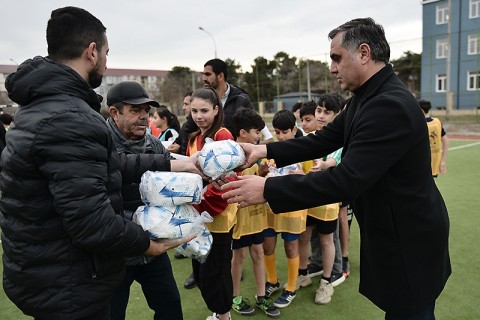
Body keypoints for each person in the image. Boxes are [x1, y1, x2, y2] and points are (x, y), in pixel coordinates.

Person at [222, 18, 450, 320]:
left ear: (364, 53)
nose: (332, 68)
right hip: (396, 230)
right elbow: (323, 139)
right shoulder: (367, 97)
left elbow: (346, 180)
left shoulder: (388, 104)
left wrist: (267, 189)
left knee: (411, 313)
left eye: (336, 57)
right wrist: (264, 150)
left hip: (409, 238)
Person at [0, 7, 196, 320]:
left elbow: (106, 163)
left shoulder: (43, 108)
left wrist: (177, 164)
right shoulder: (69, 118)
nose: (106, 60)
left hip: (51, 275)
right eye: (106, 52)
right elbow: (92, 223)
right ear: (92, 52)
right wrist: (147, 242)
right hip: (69, 284)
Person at [105, 81, 183, 320]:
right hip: (114, 251)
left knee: (170, 306)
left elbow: (175, 179)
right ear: (114, 112)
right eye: (135, 110)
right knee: (112, 314)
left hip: (154, 249)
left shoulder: (154, 143)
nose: (143, 117)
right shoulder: (99, 144)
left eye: (146, 111)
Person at [187, 87, 237, 320]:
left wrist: (201, 206)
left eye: (205, 110)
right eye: (194, 110)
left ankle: (224, 316)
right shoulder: (194, 137)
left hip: (216, 216)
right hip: (199, 215)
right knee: (202, 272)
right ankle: (219, 314)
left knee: (216, 271)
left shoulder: (222, 135)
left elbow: (226, 181)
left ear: (217, 110)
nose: (199, 115)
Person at [230, 107, 280, 318]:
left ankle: (261, 296)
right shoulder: (231, 153)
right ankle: (235, 297)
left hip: (257, 216)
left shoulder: (254, 153)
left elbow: (253, 177)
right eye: (256, 132)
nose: (259, 136)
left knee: (258, 253)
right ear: (242, 133)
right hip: (240, 217)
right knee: (239, 256)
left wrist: (261, 172)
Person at [297, 95, 344, 305]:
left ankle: (326, 282)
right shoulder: (312, 136)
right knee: (303, 237)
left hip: (327, 199)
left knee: (326, 240)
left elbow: (334, 160)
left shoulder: (342, 138)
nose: (321, 116)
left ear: (337, 115)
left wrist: (323, 165)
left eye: (327, 112)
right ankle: (303, 273)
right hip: (307, 197)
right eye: (319, 111)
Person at [262, 110, 307, 309]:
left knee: (291, 247)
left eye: (285, 132)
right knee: (268, 245)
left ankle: (291, 287)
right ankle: (272, 281)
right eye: (277, 132)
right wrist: (263, 170)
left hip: (293, 208)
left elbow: (311, 175)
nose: (281, 136)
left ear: (294, 130)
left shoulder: (304, 149)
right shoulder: (271, 150)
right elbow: (262, 171)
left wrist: (301, 175)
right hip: (270, 207)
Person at [203, 58, 272, 141]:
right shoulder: (201, 98)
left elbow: (262, 130)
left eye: (208, 74)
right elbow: (189, 129)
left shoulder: (241, 99)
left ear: (220, 76)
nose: (204, 78)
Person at [418, 99, 448, 177]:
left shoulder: (418, 124)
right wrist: (443, 161)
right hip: (435, 161)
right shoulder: (437, 122)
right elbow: (445, 141)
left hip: (421, 162)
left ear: (421, 110)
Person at [167, 91, 197, 156]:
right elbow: (178, 142)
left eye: (186, 104)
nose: (183, 108)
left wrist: (180, 149)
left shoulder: (203, 127)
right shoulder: (185, 126)